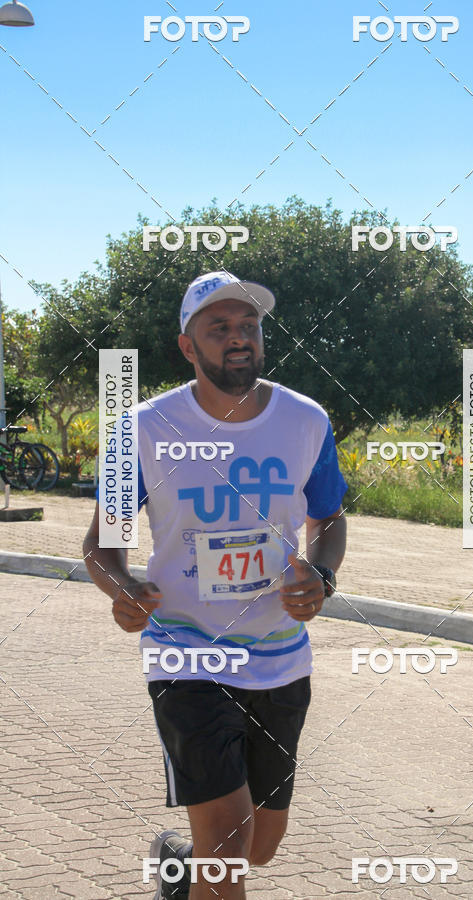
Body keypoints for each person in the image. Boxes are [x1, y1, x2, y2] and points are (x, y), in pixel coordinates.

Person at [83, 270, 348, 899]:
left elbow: (329, 517)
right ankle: (201, 863)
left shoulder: (306, 420)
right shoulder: (141, 430)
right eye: (220, 327)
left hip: (282, 658)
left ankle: (178, 866)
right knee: (229, 845)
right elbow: (101, 546)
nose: (239, 339)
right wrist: (121, 587)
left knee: (258, 847)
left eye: (249, 326)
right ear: (187, 345)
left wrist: (322, 573)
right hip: (186, 651)